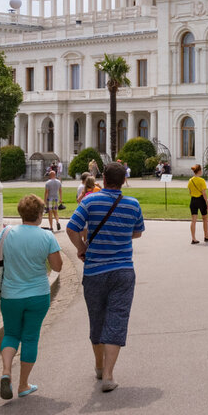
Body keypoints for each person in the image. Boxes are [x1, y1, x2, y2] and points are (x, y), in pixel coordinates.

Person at [66, 162, 144, 392]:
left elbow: (72, 227)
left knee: (97, 318)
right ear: (123, 181)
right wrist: (120, 232)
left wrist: (81, 248)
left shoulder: (90, 201)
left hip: (95, 270)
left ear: (104, 179)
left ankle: (99, 367)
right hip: (123, 271)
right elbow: (137, 232)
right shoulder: (132, 204)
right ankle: (109, 375)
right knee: (117, 319)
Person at [0, 195, 63, 400]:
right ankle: (23, 384)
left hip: (11, 294)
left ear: (21, 213)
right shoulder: (46, 237)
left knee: (11, 334)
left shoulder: (6, 233)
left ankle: (6, 371)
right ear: (40, 215)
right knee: (30, 337)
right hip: (38, 294)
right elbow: (57, 266)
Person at [187, 164, 208, 244]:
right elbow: (204, 193)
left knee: (193, 220)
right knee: (205, 218)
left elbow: (190, 192)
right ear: (199, 171)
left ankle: (193, 238)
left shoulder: (190, 180)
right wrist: (207, 203)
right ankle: (206, 236)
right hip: (201, 200)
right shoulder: (202, 180)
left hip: (193, 200)